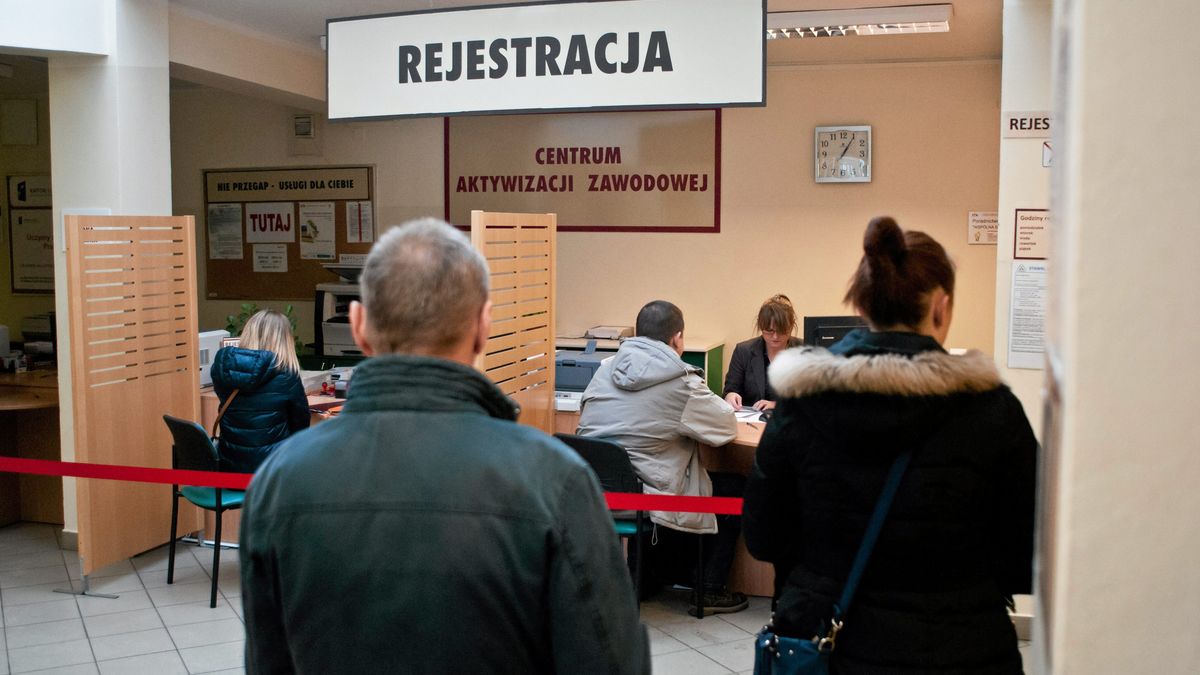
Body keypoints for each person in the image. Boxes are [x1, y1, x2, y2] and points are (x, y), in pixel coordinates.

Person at [240, 218, 648, 674]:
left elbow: (267, 662)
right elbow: (612, 663)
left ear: (357, 326)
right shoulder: (556, 480)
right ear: (483, 326)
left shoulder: (279, 482)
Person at [743, 216, 1037, 674]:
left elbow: (763, 535)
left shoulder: (802, 405)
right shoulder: (993, 411)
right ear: (941, 307)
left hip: (831, 644)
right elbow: (1025, 554)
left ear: (862, 306)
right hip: (964, 649)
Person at [576, 300, 748, 616]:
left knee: (647, 473)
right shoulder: (679, 381)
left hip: (595, 493)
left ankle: (646, 578)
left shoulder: (605, 369)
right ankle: (709, 589)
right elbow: (724, 427)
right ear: (677, 338)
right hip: (644, 499)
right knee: (733, 490)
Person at [209, 309, 308, 473]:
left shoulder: (223, 368)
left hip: (230, 465)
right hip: (271, 470)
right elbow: (301, 426)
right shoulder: (287, 375)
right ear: (284, 339)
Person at [723, 294, 802, 411]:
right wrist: (730, 396)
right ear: (760, 325)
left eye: (782, 331)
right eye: (769, 331)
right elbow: (730, 390)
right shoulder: (743, 351)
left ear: (791, 326)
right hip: (750, 419)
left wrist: (777, 405)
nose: (775, 336)